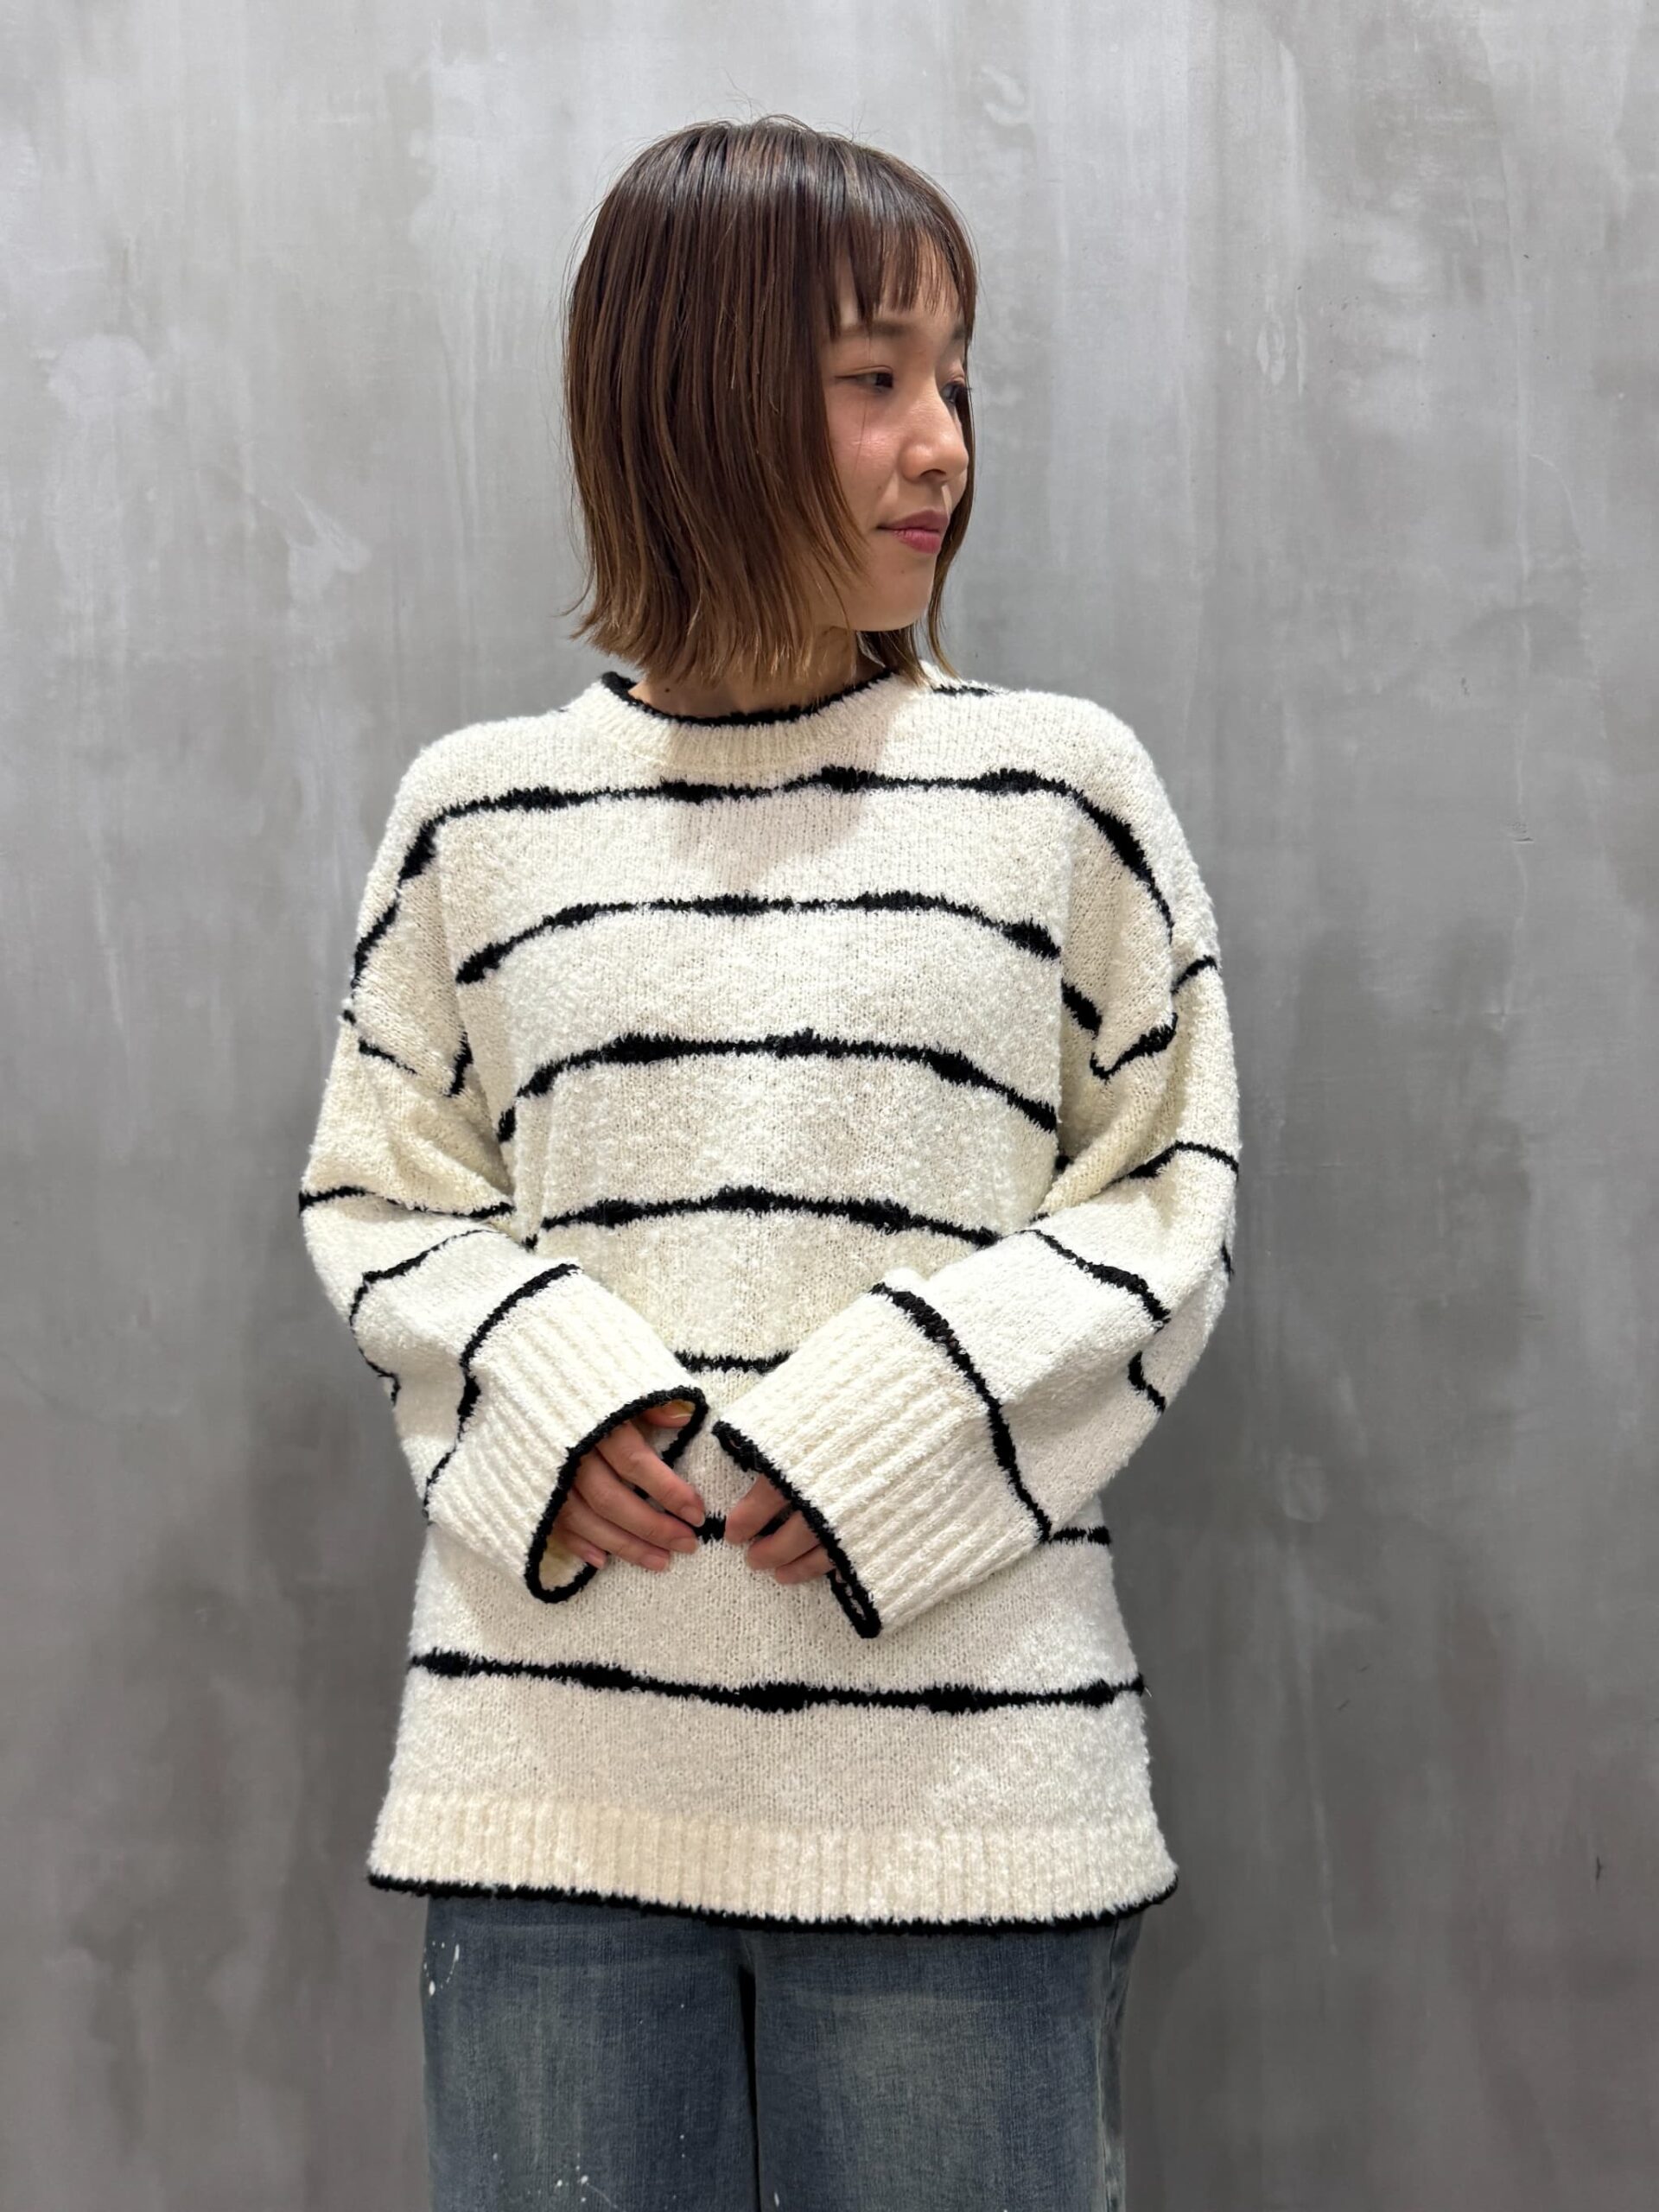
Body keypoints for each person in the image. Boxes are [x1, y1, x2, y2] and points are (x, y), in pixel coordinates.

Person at [297, 111, 1240, 2212]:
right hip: (553, 1787)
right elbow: (382, 1195)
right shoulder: (479, 817)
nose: (943, 445)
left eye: (955, 378)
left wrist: (897, 1426)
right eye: (872, 377)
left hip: (965, 1809)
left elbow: (1167, 1197)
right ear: (695, 397)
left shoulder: (1057, 793)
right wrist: (555, 1398)